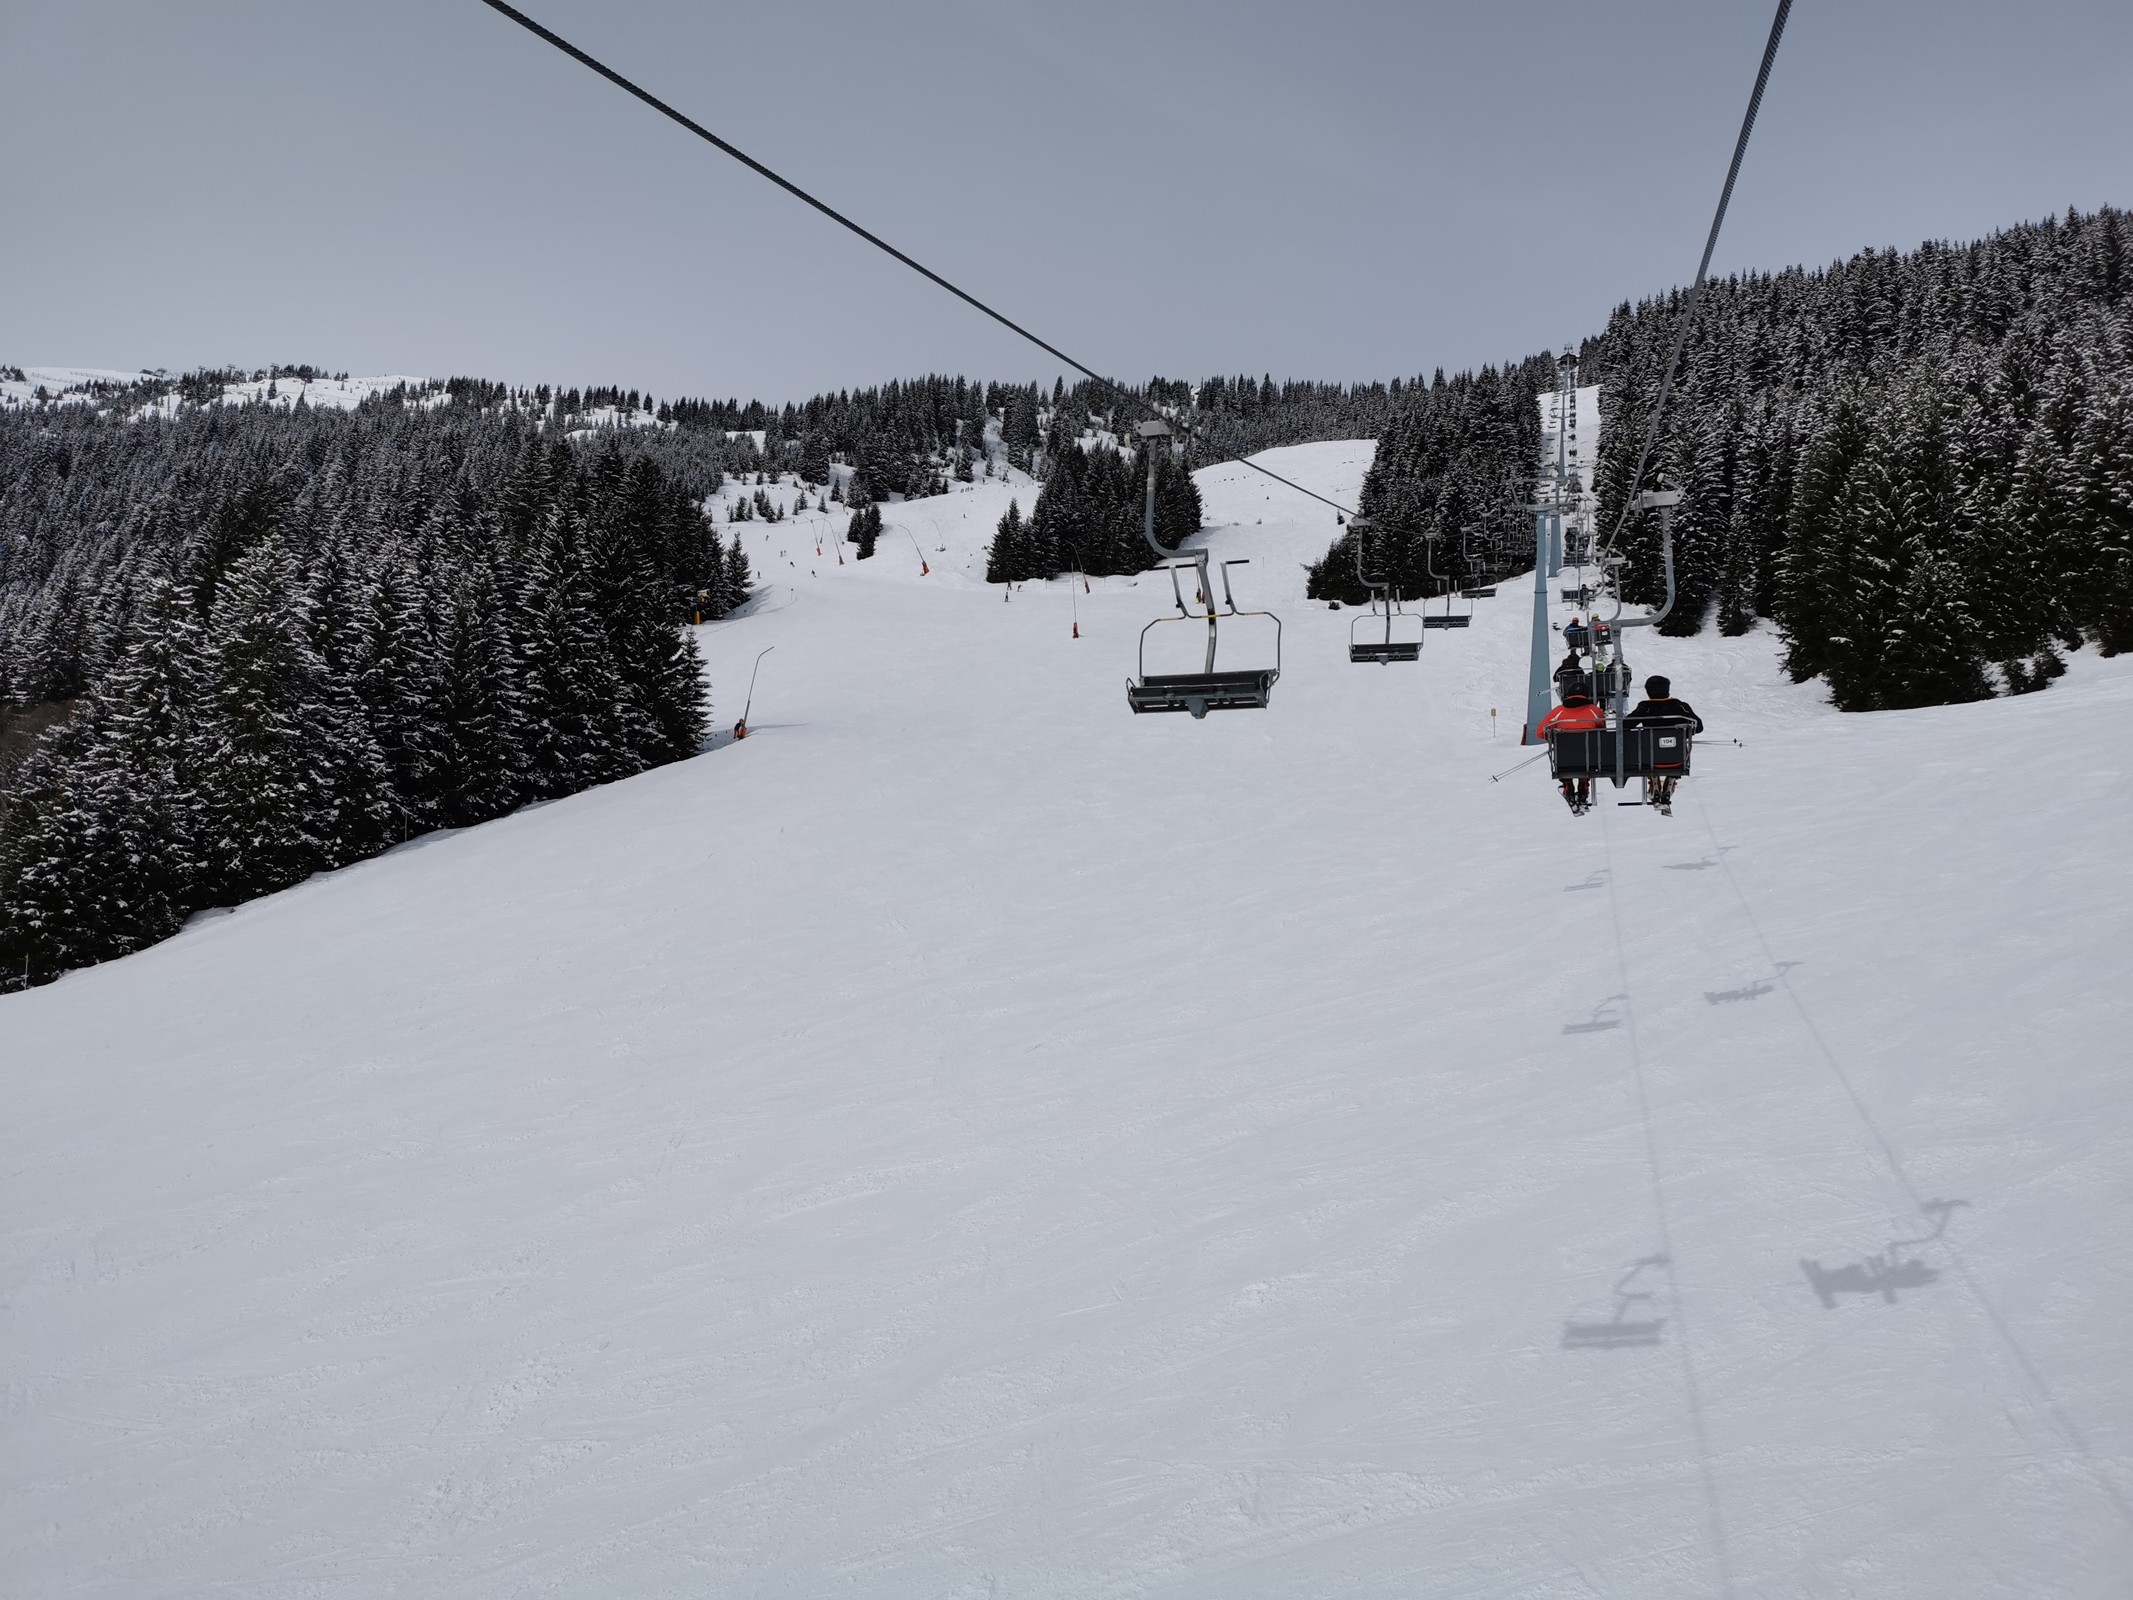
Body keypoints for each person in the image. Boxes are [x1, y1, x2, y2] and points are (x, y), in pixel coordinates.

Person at [1623, 675, 1702, 813]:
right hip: (1677, 759)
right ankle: (1670, 780)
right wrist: (1684, 732)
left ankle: (1654, 781)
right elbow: (1698, 726)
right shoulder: (1679, 706)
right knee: (1674, 749)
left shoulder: (1645, 707)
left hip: (1650, 759)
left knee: (1649, 749)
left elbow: (1625, 725)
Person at [1537, 684, 1605, 814]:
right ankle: (1583, 790)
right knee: (1587, 758)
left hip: (1564, 760)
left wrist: (1555, 739)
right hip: (1589, 759)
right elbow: (1603, 731)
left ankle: (1568, 787)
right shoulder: (1594, 711)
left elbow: (1540, 732)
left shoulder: (1559, 711)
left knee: (1566, 761)